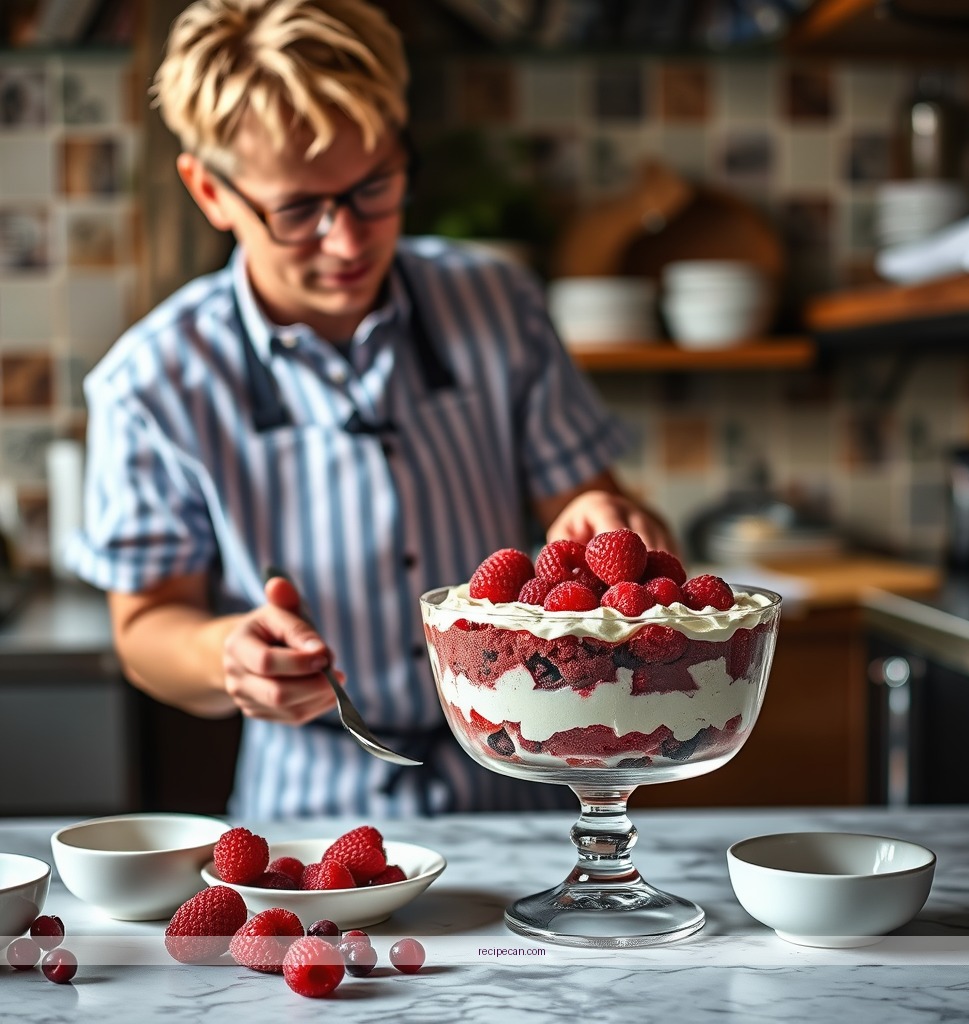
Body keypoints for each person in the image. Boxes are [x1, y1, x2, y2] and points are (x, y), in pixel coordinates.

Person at [68, 0, 674, 819]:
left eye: (374, 187)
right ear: (211, 189)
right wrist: (226, 654)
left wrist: (607, 524)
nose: (348, 242)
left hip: (527, 779)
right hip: (312, 810)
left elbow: (586, 513)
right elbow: (146, 627)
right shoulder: (152, 380)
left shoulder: (496, 303)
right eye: (297, 211)